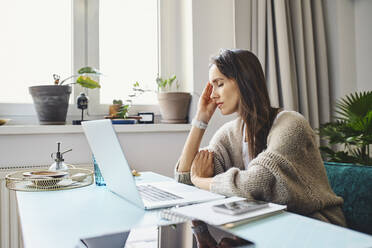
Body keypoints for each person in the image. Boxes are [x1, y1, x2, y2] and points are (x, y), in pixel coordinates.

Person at [175, 49, 346, 227]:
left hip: (316, 224)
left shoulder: (291, 125)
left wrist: (200, 180)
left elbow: (255, 183)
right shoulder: (229, 133)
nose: (212, 95)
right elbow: (185, 180)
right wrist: (201, 119)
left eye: (219, 84)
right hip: (270, 224)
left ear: (243, 81)